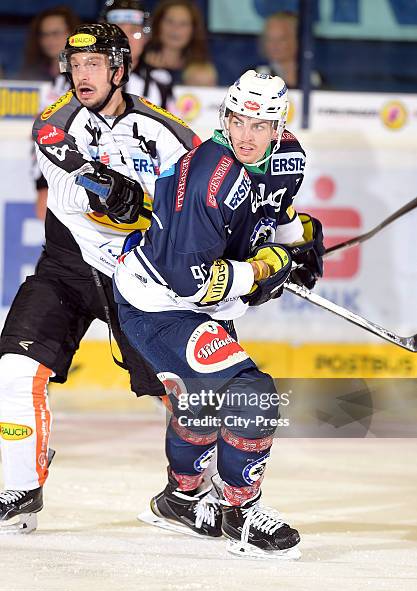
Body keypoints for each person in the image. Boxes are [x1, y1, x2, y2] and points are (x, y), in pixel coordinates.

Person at [113, 70, 325, 557]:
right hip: (159, 303)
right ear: (225, 119)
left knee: (201, 402)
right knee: (252, 395)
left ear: (279, 128)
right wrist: (267, 267)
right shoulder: (210, 174)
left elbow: (278, 212)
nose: (247, 135)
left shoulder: (288, 156)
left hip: (194, 300)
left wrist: (297, 242)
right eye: (238, 121)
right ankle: (242, 513)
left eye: (261, 124)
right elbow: (195, 283)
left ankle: (181, 499)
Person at [0, 23, 199, 534]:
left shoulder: (170, 133)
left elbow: (205, 194)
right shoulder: (57, 117)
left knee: (184, 389)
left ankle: (203, 493)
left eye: (93, 65)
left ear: (118, 68)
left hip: (135, 278)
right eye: (75, 65)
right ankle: (22, 487)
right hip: (65, 268)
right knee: (14, 372)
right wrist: (103, 182)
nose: (82, 75)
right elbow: (50, 141)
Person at [19, 6, 81, 220]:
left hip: (75, 171)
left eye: (56, 33)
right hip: (44, 168)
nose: (49, 40)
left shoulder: (86, 78)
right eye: (44, 34)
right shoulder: (31, 74)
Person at [101, 0, 172, 107]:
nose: (125, 39)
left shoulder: (160, 81)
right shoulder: (80, 77)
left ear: (146, 38)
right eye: (117, 31)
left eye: (134, 32)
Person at [140, 0, 211, 87]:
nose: (175, 29)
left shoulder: (202, 71)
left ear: (193, 30)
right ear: (158, 25)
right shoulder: (139, 62)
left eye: (183, 24)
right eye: (169, 21)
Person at [255, 12, 322, 89]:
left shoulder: (314, 79)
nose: (274, 45)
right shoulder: (253, 77)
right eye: (269, 39)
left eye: (282, 39)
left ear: (299, 40)